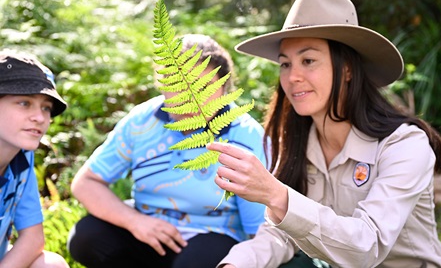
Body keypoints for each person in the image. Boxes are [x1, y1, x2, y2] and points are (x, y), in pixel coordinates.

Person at [207, 0, 441, 267]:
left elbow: (367, 247)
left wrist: (276, 194)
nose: (292, 76)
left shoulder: (404, 145)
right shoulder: (298, 141)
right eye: (285, 64)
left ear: (346, 69)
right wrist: (236, 263)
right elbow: (280, 235)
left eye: (308, 60)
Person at [67, 34, 268, 268]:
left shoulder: (245, 135)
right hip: (148, 233)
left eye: (203, 87)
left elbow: (260, 230)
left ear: (224, 88)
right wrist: (135, 222)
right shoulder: (142, 121)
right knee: (87, 237)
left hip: (212, 239)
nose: (191, 98)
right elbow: (86, 183)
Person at [0, 50, 69, 267]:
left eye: (46, 107)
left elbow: (33, 239)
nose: (39, 117)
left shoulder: (21, 157)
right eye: (24, 103)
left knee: (51, 265)